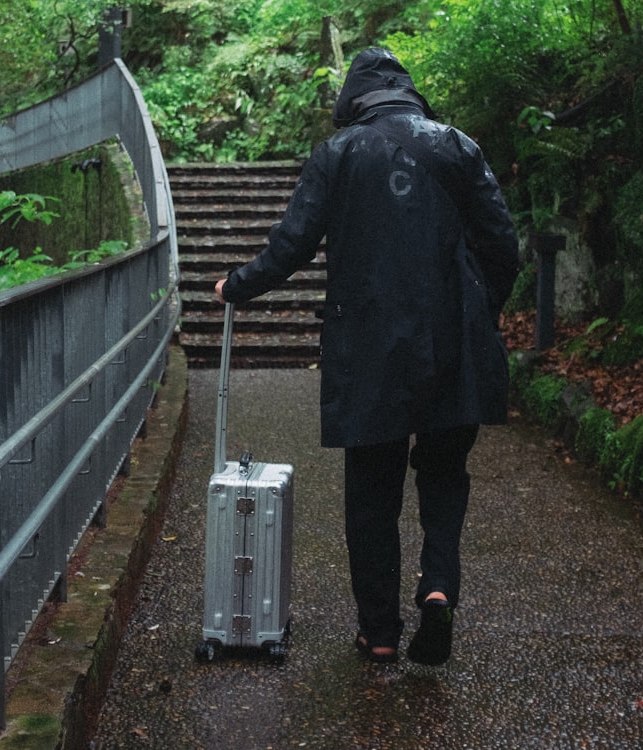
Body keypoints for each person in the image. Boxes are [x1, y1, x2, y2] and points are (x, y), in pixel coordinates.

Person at [215, 47, 519, 665]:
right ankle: (437, 589)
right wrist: (482, 317)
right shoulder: (457, 145)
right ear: (409, 92)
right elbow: (502, 245)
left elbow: (294, 242)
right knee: (443, 475)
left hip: (372, 349)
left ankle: (379, 632)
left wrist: (238, 284)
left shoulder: (340, 153)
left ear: (354, 99)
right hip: (453, 345)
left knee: (372, 492)